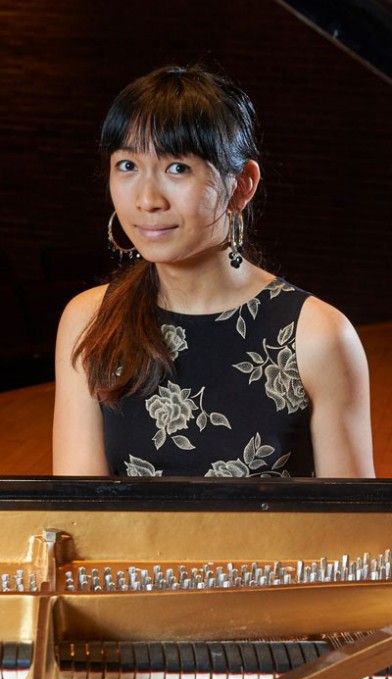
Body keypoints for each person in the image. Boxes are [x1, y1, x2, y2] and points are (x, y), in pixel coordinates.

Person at [53, 65, 375, 479]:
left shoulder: (318, 336)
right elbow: (79, 513)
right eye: (127, 166)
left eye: (177, 168)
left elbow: (349, 528)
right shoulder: (90, 321)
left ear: (241, 185)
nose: (147, 199)